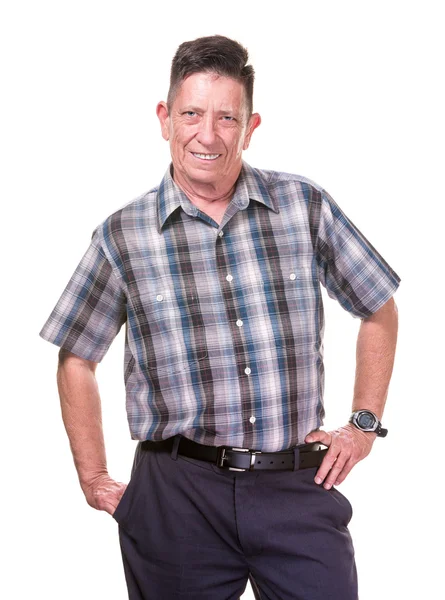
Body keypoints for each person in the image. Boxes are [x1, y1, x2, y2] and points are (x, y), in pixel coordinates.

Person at [40, 35, 400, 600]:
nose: (207, 134)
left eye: (226, 117)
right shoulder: (122, 235)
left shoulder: (304, 206)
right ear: (164, 119)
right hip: (176, 496)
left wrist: (361, 425)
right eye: (191, 113)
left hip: (296, 484)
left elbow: (378, 306)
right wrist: (94, 477)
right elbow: (76, 356)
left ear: (251, 126)